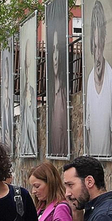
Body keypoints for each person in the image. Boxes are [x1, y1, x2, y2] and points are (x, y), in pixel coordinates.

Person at [84, 0, 112, 156]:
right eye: (94, 47)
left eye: (99, 45)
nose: (97, 55)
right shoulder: (89, 81)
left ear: (104, 41)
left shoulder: (111, 79)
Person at [46, 11, 69, 156]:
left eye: (57, 49)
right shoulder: (51, 96)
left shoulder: (64, 94)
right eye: (52, 49)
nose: (54, 56)